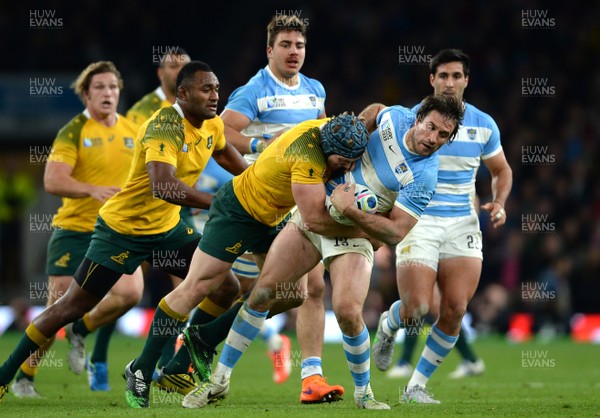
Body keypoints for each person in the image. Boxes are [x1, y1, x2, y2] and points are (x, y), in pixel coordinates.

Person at [180, 94, 464, 410]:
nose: (433, 139)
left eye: (443, 136)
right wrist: (359, 129)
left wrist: (353, 213)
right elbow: (377, 109)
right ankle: (218, 381)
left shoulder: (424, 176)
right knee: (262, 294)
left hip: (352, 233)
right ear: (417, 118)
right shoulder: (394, 117)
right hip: (315, 214)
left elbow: (396, 232)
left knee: (346, 311)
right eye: (431, 128)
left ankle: (364, 394)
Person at [0, 60, 248, 404]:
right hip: (121, 231)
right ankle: (6, 375)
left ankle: (179, 364)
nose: (215, 96)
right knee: (68, 306)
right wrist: (220, 203)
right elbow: (163, 186)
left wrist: (253, 182)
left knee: (226, 287)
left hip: (167, 230)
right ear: (183, 93)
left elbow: (226, 155)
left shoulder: (211, 125)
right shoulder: (163, 126)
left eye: (217, 88)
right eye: (207, 89)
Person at [124, 112, 370, 408]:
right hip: (238, 212)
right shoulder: (308, 156)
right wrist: (367, 227)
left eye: (353, 158)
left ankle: (203, 339)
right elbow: (315, 220)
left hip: (270, 217)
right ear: (327, 148)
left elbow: (372, 114)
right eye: (342, 160)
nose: (349, 165)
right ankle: (141, 367)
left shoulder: (332, 129)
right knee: (198, 286)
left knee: (293, 294)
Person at [372, 49, 513, 403]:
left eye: (457, 76)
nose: (450, 83)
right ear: (431, 79)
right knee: (417, 308)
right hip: (416, 219)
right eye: (443, 76)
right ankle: (389, 325)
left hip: (462, 223)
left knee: (455, 309)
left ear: (467, 80)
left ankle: (415, 386)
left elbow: (502, 171)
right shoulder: (412, 119)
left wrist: (499, 201)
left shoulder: (484, 124)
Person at [8, 61, 145, 397]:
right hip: (74, 230)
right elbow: (52, 180)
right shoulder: (73, 131)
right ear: (86, 94)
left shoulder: (132, 130)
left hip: (115, 231)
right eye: (99, 87)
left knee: (130, 294)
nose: (108, 93)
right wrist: (91, 190)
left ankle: (82, 329)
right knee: (56, 310)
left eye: (113, 87)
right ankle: (25, 375)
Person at [219, 13, 328, 389]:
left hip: (304, 198)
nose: (294, 51)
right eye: (285, 45)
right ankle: (208, 335)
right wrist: (261, 144)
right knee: (280, 292)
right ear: (270, 50)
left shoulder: (316, 89)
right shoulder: (254, 90)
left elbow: (320, 139)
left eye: (299, 45)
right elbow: (221, 131)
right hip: (266, 202)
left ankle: (311, 375)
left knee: (314, 288)